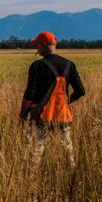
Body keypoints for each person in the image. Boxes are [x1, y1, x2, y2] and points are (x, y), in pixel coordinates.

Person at [20, 31, 85, 167]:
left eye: (37, 45)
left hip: (42, 114)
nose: (36, 49)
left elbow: (30, 94)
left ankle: (32, 175)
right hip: (63, 114)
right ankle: (71, 173)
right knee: (67, 149)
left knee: (37, 148)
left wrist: (23, 114)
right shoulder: (69, 65)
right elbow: (80, 91)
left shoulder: (37, 66)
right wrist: (67, 102)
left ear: (43, 45)